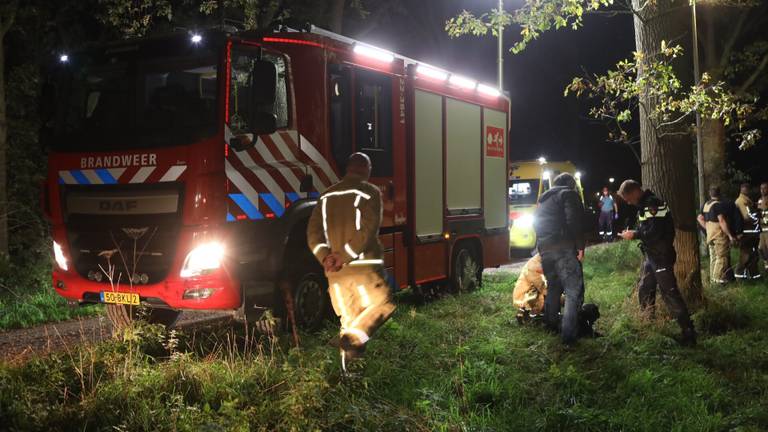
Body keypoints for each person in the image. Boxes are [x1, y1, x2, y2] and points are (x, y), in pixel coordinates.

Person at [306, 153, 396, 371]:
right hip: (363, 269)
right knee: (384, 304)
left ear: (348, 169)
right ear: (366, 169)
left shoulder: (325, 196)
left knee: (349, 320)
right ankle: (352, 339)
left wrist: (325, 257)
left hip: (336, 276)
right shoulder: (369, 192)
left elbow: (312, 234)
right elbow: (367, 231)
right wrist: (343, 255)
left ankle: (350, 374)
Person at [618, 180, 696, 346]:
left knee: (670, 293)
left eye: (627, 197)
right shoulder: (645, 205)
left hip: (661, 256)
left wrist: (635, 234)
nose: (627, 201)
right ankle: (648, 324)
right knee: (645, 288)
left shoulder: (652, 204)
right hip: (652, 256)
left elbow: (655, 231)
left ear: (635, 192)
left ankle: (688, 333)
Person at [533, 172, 585, 346]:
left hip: (545, 249)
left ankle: (550, 326)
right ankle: (569, 337)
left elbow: (537, 224)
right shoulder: (568, 194)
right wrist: (580, 246)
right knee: (573, 290)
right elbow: (574, 221)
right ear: (570, 184)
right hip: (563, 247)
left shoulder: (543, 199)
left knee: (554, 288)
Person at [697, 186, 736, 284]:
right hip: (719, 235)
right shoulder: (718, 205)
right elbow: (722, 221)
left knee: (713, 257)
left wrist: (708, 227)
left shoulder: (706, 204)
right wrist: (730, 236)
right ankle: (716, 280)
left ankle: (712, 280)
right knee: (722, 257)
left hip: (710, 235)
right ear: (719, 194)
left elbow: (699, 218)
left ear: (710, 194)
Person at [734, 183, 760, 279]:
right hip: (747, 233)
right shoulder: (741, 201)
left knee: (753, 254)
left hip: (751, 232)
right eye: (747, 189)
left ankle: (754, 275)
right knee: (746, 254)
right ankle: (740, 275)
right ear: (744, 190)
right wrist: (758, 218)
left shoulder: (747, 200)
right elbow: (747, 216)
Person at [759, 182, 768, 274]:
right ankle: (766, 266)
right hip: (762, 231)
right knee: (761, 248)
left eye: (764, 188)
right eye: (761, 188)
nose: (762, 190)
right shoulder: (759, 200)